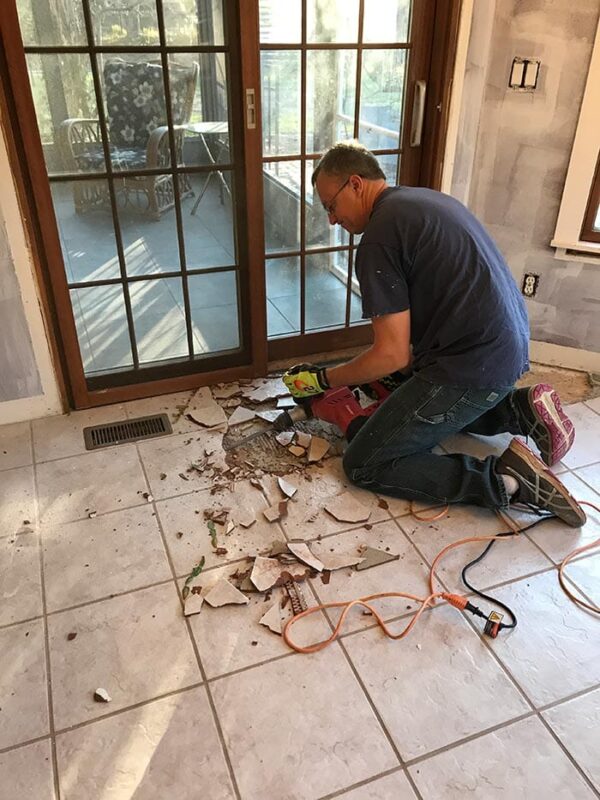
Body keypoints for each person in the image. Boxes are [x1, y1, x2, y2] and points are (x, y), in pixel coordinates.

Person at [282, 141, 586, 528]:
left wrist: (324, 379)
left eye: (330, 206)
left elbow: (392, 355)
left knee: (365, 461)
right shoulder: (419, 201)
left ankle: (508, 483)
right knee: (410, 393)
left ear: (355, 184)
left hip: (472, 365)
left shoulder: (378, 240)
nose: (331, 219)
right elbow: (403, 347)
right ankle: (520, 409)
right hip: (506, 349)